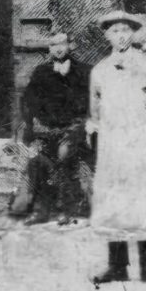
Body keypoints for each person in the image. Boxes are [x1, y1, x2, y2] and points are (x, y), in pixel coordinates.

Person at [89, 11, 146, 286]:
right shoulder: (99, 70)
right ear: (107, 35)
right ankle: (117, 265)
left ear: (133, 34)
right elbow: (95, 111)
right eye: (115, 31)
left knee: (142, 200)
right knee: (114, 201)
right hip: (113, 143)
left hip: (140, 140)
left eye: (125, 30)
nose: (121, 36)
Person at [18, 31, 92, 225]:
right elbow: (28, 101)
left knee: (64, 152)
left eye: (62, 43)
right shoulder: (41, 72)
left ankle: (67, 210)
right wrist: (30, 127)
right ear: (49, 48)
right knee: (38, 159)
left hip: (76, 127)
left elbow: (93, 104)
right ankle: (42, 210)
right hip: (49, 128)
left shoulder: (84, 71)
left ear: (70, 45)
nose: (58, 48)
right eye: (53, 45)